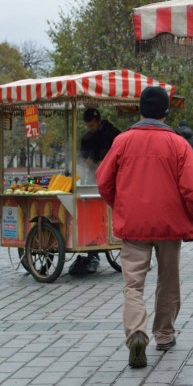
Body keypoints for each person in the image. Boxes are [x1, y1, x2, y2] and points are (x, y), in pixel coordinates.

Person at [96, 86, 193, 368]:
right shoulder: (179, 144)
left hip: (134, 225)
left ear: (141, 110)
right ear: (166, 112)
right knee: (168, 280)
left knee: (133, 284)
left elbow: (104, 182)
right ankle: (165, 334)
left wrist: (120, 205)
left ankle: (136, 333)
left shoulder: (122, 141)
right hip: (169, 225)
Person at [69, 108, 121, 275]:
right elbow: (83, 157)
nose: (90, 128)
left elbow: (114, 157)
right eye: (88, 125)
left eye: (92, 124)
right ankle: (93, 253)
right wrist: (87, 162)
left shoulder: (113, 134)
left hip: (111, 180)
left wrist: (100, 163)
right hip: (91, 180)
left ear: (98, 121)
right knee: (91, 217)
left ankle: (117, 243)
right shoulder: (86, 137)